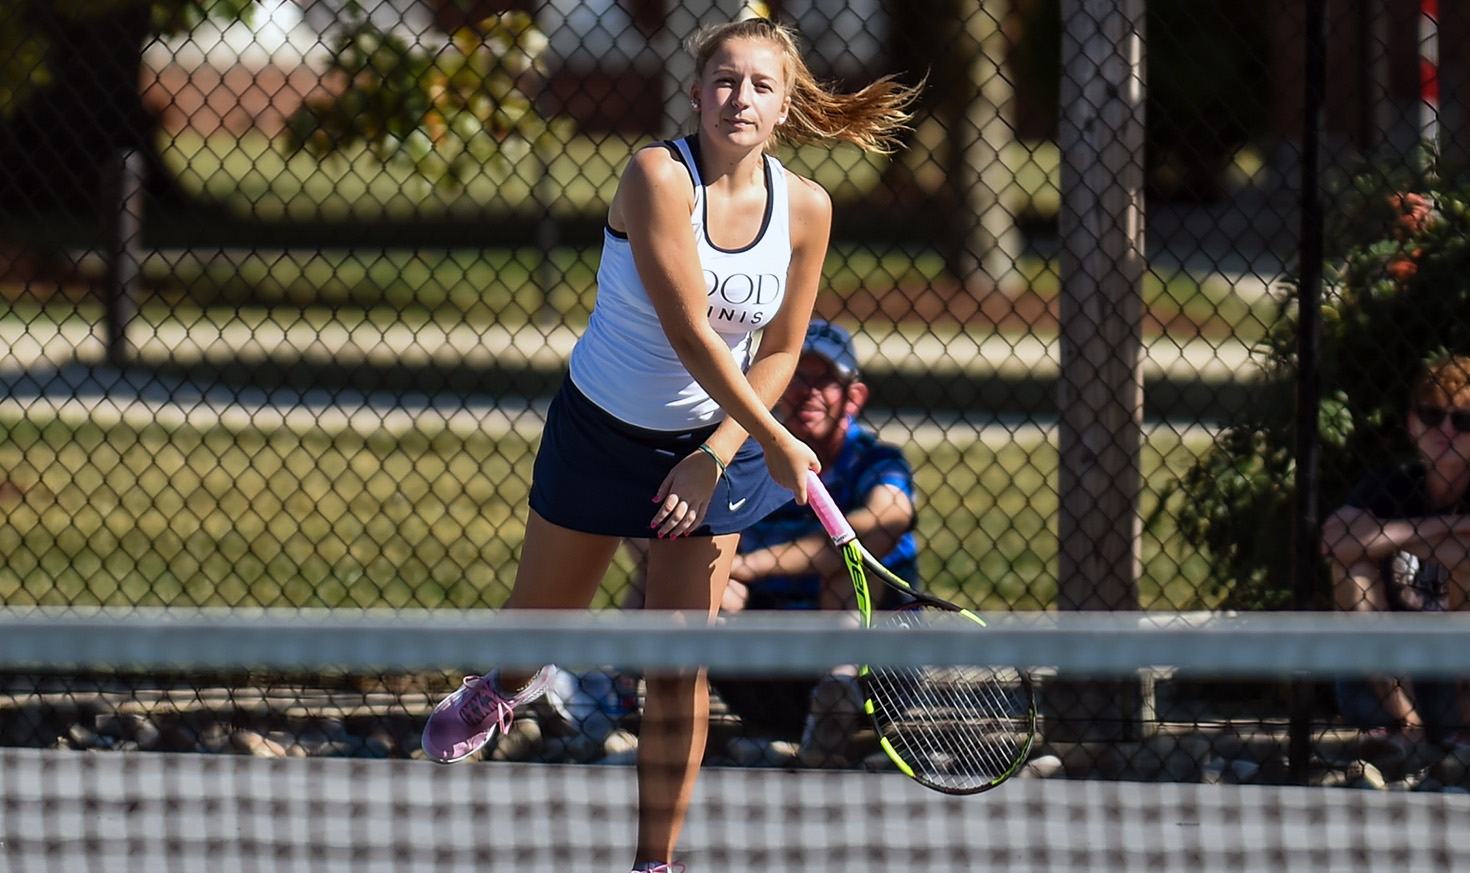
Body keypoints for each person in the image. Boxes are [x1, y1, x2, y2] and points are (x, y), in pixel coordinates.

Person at [419, 17, 920, 873]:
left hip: (713, 447)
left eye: (761, 85)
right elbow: (691, 334)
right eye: (725, 81)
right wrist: (776, 440)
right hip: (601, 430)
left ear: (786, 103)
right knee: (534, 633)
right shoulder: (656, 176)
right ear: (694, 93)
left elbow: (784, 351)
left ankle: (656, 862)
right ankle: (504, 688)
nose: (740, 99)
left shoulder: (806, 209)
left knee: (677, 665)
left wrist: (721, 449)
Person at [622, 319, 919, 769]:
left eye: (826, 381)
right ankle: (605, 702)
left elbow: (889, 517)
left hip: (871, 670)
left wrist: (748, 566)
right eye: (799, 376)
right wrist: (713, 580)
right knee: (670, 574)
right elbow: (646, 519)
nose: (809, 392)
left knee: (849, 569)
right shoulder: (742, 452)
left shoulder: (877, 460)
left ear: (854, 398)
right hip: (761, 663)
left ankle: (833, 703)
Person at [1321, 353, 1470, 763]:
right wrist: (1433, 528)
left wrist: (1383, 535)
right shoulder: (1392, 483)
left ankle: (1458, 730)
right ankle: (1405, 726)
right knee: (1350, 566)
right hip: (1381, 687)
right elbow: (1335, 541)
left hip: (1455, 684)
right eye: (1432, 415)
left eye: (1463, 421)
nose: (1445, 430)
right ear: (1411, 422)